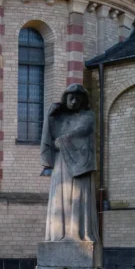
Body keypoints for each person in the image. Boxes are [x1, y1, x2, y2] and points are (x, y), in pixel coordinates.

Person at [40, 83, 99, 242]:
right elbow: (49, 135)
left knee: (78, 196)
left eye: (77, 99)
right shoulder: (60, 117)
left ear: (83, 100)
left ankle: (76, 233)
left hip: (80, 165)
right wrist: (49, 116)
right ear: (65, 98)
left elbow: (83, 130)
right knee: (61, 196)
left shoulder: (88, 115)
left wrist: (64, 140)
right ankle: (58, 234)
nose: (74, 101)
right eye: (70, 98)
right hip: (61, 164)